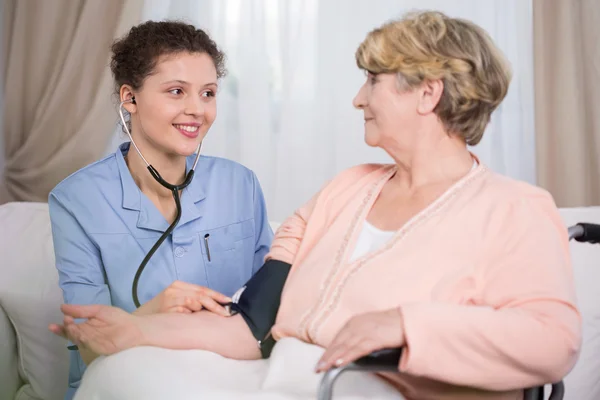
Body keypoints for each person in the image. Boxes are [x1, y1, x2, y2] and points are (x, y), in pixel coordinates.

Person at [49, 11, 581, 400]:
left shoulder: (515, 208)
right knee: (118, 377)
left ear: (428, 94)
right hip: (279, 378)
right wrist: (135, 330)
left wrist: (406, 324)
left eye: (372, 80)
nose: (357, 98)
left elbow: (553, 342)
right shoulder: (345, 190)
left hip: (372, 389)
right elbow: (249, 324)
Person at [48, 20, 274, 400]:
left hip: (230, 379)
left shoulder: (241, 185)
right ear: (130, 98)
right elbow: (89, 349)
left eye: (207, 93)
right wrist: (155, 310)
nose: (197, 110)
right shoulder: (76, 201)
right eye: (176, 91)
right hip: (128, 380)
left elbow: (268, 316)